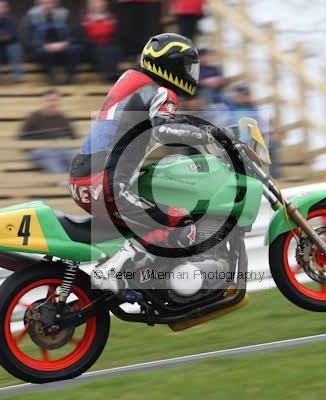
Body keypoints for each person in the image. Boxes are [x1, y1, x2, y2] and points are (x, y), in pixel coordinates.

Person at [69, 33, 211, 295]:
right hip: (106, 184)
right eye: (186, 66)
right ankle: (114, 272)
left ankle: (145, 285)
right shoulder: (162, 92)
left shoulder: (132, 79)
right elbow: (164, 129)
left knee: (154, 206)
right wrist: (208, 135)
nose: (191, 74)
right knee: (179, 222)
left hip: (86, 177)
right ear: (171, 65)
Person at [18, 89, 76, 174]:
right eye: (49, 100)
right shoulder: (34, 117)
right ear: (43, 102)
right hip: (39, 151)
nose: (52, 103)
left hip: (59, 150)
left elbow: (73, 137)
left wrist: (62, 143)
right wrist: (37, 146)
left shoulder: (63, 118)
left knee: (73, 157)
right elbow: (21, 138)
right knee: (52, 160)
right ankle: (61, 179)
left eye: (55, 100)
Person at [28, 0, 78, 85]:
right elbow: (29, 38)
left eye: (50, 3)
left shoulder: (65, 15)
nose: (47, 5)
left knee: (74, 49)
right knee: (41, 52)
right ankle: (52, 77)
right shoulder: (32, 17)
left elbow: (73, 35)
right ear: (39, 4)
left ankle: (70, 77)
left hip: (62, 46)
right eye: (44, 3)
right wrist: (45, 46)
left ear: (55, 3)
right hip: (43, 47)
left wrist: (64, 44)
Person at [83, 0, 119, 83]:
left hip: (108, 44)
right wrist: (102, 29)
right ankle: (109, 76)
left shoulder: (110, 17)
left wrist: (101, 28)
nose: (98, 5)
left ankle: (113, 74)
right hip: (91, 46)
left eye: (100, 2)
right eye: (95, 3)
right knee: (102, 51)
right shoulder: (86, 18)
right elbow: (92, 33)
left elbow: (112, 31)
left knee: (114, 49)